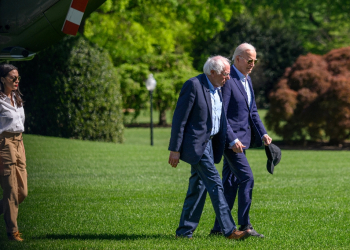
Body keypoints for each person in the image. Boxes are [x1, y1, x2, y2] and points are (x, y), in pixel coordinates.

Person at [168, 56, 251, 240]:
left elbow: (220, 120)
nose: (228, 78)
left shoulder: (218, 88)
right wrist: (175, 149)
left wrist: (231, 141)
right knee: (215, 183)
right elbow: (179, 119)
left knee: (197, 188)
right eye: (225, 74)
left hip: (211, 145)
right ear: (211, 73)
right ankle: (230, 231)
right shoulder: (193, 85)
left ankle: (184, 232)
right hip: (195, 145)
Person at [210, 43, 272, 238]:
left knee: (229, 183)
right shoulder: (228, 80)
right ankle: (245, 226)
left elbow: (252, 111)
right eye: (249, 60)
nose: (253, 64)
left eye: (255, 61)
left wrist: (263, 134)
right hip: (231, 143)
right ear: (238, 59)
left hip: (242, 143)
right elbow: (222, 115)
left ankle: (219, 229)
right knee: (247, 178)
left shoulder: (247, 79)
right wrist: (232, 139)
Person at [0, 64, 27, 242]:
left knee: (22, 191)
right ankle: (13, 232)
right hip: (5, 143)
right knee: (10, 190)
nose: (17, 81)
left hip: (19, 142)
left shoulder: (17, 98)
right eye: (12, 78)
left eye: (18, 78)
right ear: (2, 79)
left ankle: (4, 208)